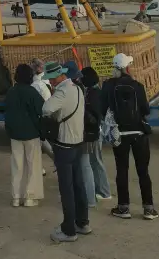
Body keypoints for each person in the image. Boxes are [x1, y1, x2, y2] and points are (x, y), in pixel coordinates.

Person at [101, 53, 157, 220]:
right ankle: (149, 209)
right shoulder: (137, 86)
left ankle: (123, 208)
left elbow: (103, 108)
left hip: (120, 134)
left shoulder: (108, 86)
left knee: (122, 171)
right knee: (143, 172)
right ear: (127, 68)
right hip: (139, 134)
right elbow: (146, 110)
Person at [42, 61, 89, 244]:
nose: (50, 82)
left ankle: (68, 230)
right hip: (78, 143)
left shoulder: (62, 91)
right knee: (79, 185)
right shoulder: (77, 88)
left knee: (66, 189)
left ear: (56, 77)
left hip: (65, 145)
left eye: (51, 79)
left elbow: (46, 109)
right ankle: (82, 222)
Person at [4, 63, 44, 207]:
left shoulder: (11, 92)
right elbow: (41, 111)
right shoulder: (32, 92)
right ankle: (30, 196)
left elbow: (6, 113)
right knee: (32, 166)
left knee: (17, 165)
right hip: (31, 133)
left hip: (15, 134)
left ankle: (16, 197)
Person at [79, 67, 111, 204]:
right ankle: (100, 190)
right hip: (97, 131)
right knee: (94, 161)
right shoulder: (96, 92)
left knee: (96, 161)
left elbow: (96, 115)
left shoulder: (93, 94)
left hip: (95, 133)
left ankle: (104, 191)